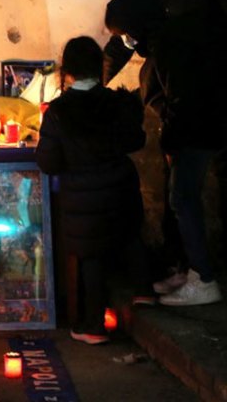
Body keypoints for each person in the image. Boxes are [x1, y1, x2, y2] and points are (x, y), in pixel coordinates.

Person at [103, 0, 227, 290]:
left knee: (195, 189)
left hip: (210, 100)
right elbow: (125, 39)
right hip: (173, 104)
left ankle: (204, 276)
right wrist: (92, 81)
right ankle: (186, 266)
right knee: (178, 191)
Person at [36, 36, 153, 344]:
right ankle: (144, 290)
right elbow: (136, 140)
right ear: (98, 66)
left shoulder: (58, 112)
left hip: (82, 194)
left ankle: (94, 325)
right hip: (120, 185)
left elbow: (48, 161)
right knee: (130, 236)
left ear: (67, 70)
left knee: (91, 255)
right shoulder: (116, 102)